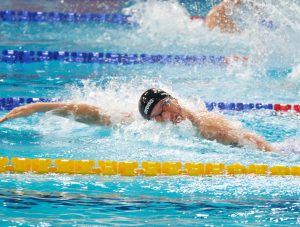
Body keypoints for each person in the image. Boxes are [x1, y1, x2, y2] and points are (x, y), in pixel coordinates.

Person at [0, 88, 275, 152]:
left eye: (168, 105)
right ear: (151, 121)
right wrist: (39, 107)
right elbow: (88, 112)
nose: (170, 115)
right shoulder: (133, 120)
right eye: (160, 114)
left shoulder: (208, 127)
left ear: (174, 99)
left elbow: (262, 147)